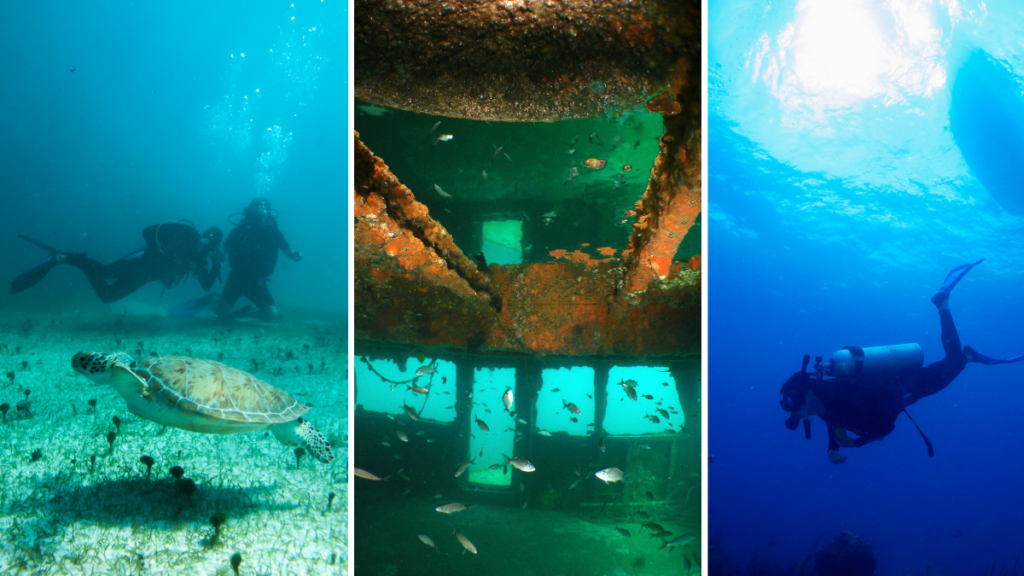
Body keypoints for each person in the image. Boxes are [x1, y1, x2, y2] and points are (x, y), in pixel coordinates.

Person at [779, 260, 1023, 464]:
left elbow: (885, 426)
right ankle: (967, 354)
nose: (796, 414)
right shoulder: (824, 399)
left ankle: (944, 307)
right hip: (906, 385)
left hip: (910, 387)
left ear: (808, 396)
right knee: (956, 361)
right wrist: (834, 448)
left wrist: (858, 443)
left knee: (954, 361)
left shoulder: (839, 396)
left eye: (793, 406)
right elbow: (832, 420)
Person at [11, 222, 223, 303]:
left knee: (108, 296)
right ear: (203, 234)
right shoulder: (187, 234)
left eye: (211, 246)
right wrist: (169, 250)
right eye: (206, 240)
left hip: (145, 277)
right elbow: (148, 231)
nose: (206, 247)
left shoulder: (202, 261)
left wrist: (216, 265)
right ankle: (66, 258)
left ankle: (70, 259)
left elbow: (205, 285)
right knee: (104, 271)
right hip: (140, 262)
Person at [213, 197, 301, 322]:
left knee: (271, 316)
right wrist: (219, 253)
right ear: (249, 213)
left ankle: (245, 313)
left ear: (268, 213)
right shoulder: (239, 232)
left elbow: (288, 249)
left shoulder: (273, 233)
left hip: (258, 282)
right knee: (219, 313)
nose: (259, 217)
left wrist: (295, 254)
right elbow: (224, 248)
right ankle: (213, 298)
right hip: (236, 280)